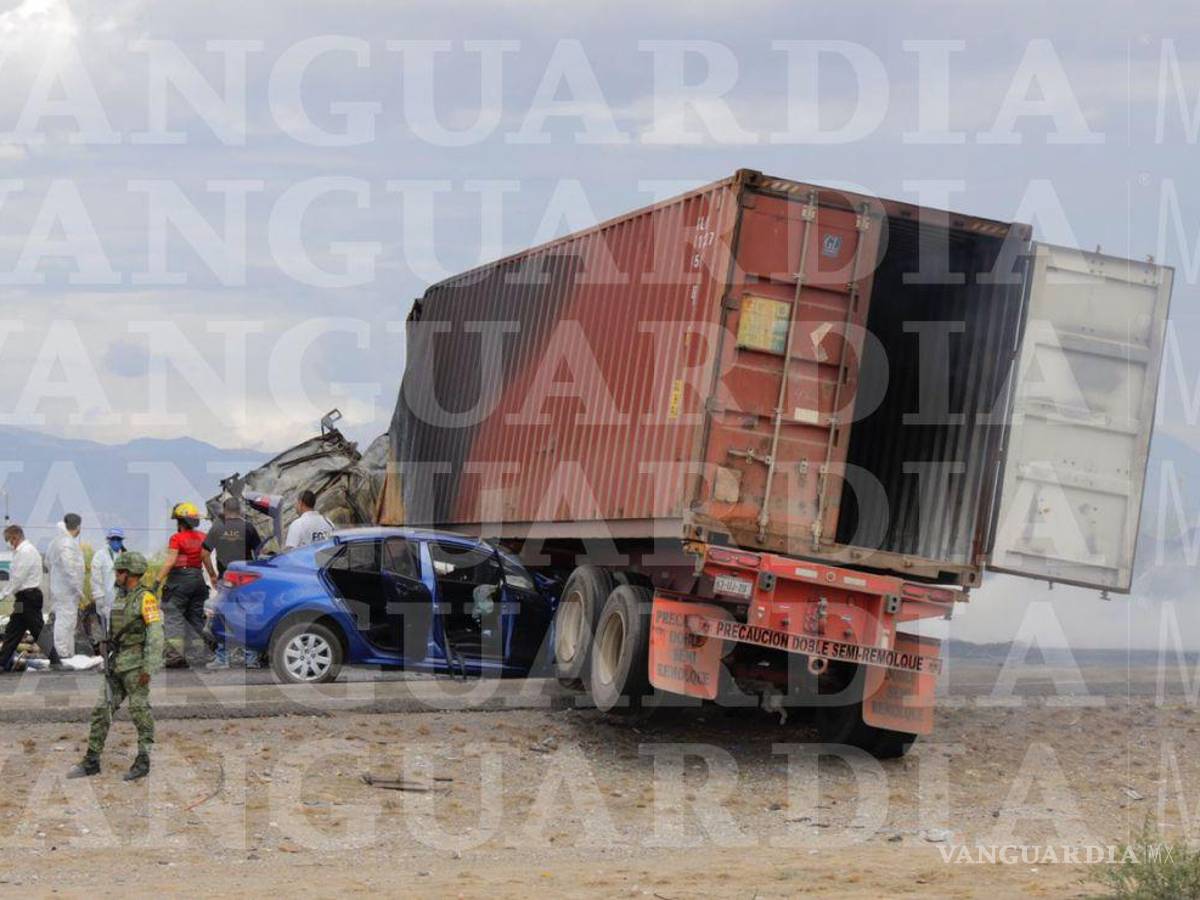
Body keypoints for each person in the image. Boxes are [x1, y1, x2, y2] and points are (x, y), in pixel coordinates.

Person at [67, 551, 163, 781]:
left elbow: (155, 634)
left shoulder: (145, 599)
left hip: (136, 667)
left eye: (120, 572)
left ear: (131, 574)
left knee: (140, 713)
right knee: (101, 711)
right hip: (117, 664)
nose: (116, 575)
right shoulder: (120, 597)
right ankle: (92, 760)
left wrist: (149, 668)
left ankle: (143, 761)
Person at [202, 497, 263, 669]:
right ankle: (251, 659)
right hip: (247, 580)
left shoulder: (217, 527)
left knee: (223, 617)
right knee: (249, 617)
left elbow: (204, 553)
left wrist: (212, 575)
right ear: (240, 510)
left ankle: (223, 659)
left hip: (226, 580)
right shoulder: (249, 527)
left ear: (224, 510)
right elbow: (260, 553)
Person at [157, 502, 218, 667]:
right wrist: (212, 576)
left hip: (179, 581)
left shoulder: (176, 538)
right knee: (196, 619)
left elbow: (170, 561)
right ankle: (198, 655)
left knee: (174, 618)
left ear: (180, 522)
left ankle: (175, 657)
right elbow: (205, 558)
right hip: (198, 581)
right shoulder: (203, 537)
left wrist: (157, 581)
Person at [0, 525, 47, 672]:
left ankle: (56, 660)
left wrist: (2, 595)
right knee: (13, 630)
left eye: (9, 540)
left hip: (28, 597)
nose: (10, 544)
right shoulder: (21, 552)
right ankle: (2, 662)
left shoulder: (26, 552)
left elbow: (17, 578)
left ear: (15, 537)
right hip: (22, 598)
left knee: (38, 629)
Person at [46, 513, 85, 663]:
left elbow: (48, 562)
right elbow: (70, 569)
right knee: (65, 622)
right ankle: (62, 653)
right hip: (67, 591)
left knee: (68, 621)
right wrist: (78, 589)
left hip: (63, 589)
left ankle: (67, 653)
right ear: (78, 526)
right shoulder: (66, 543)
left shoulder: (57, 541)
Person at [89, 527, 126, 625]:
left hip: (120, 598)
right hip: (105, 598)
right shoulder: (100, 555)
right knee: (106, 625)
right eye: (114, 539)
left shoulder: (123, 555)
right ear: (108, 540)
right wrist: (98, 596)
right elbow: (95, 577)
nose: (116, 541)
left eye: (119, 539)